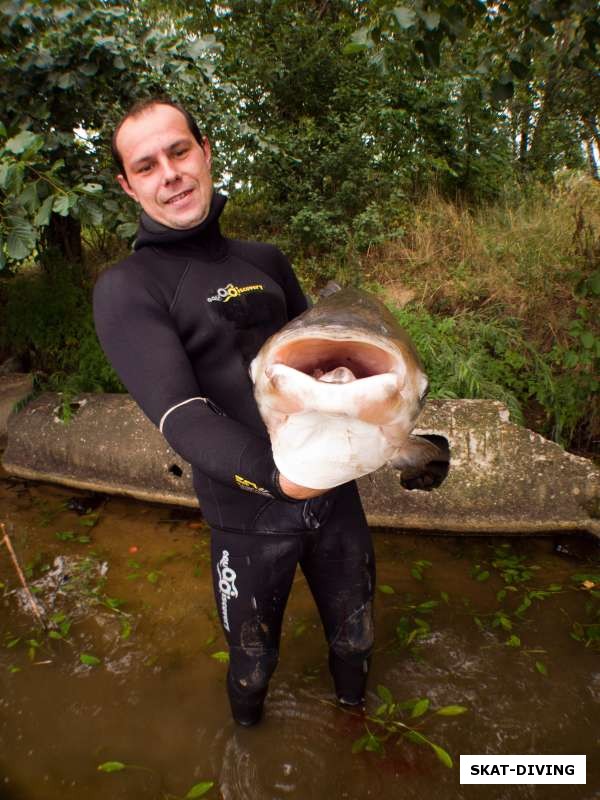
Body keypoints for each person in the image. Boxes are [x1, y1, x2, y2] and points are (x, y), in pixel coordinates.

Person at [93, 97, 375, 726]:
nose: (169, 173)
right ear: (128, 185)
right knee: (253, 664)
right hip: (246, 513)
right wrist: (279, 480)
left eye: (178, 150)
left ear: (205, 151)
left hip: (335, 497)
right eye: (146, 166)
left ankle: (359, 733)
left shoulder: (267, 261)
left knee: (356, 640)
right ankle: (247, 751)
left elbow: (326, 375)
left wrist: (396, 427)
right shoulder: (127, 289)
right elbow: (181, 414)